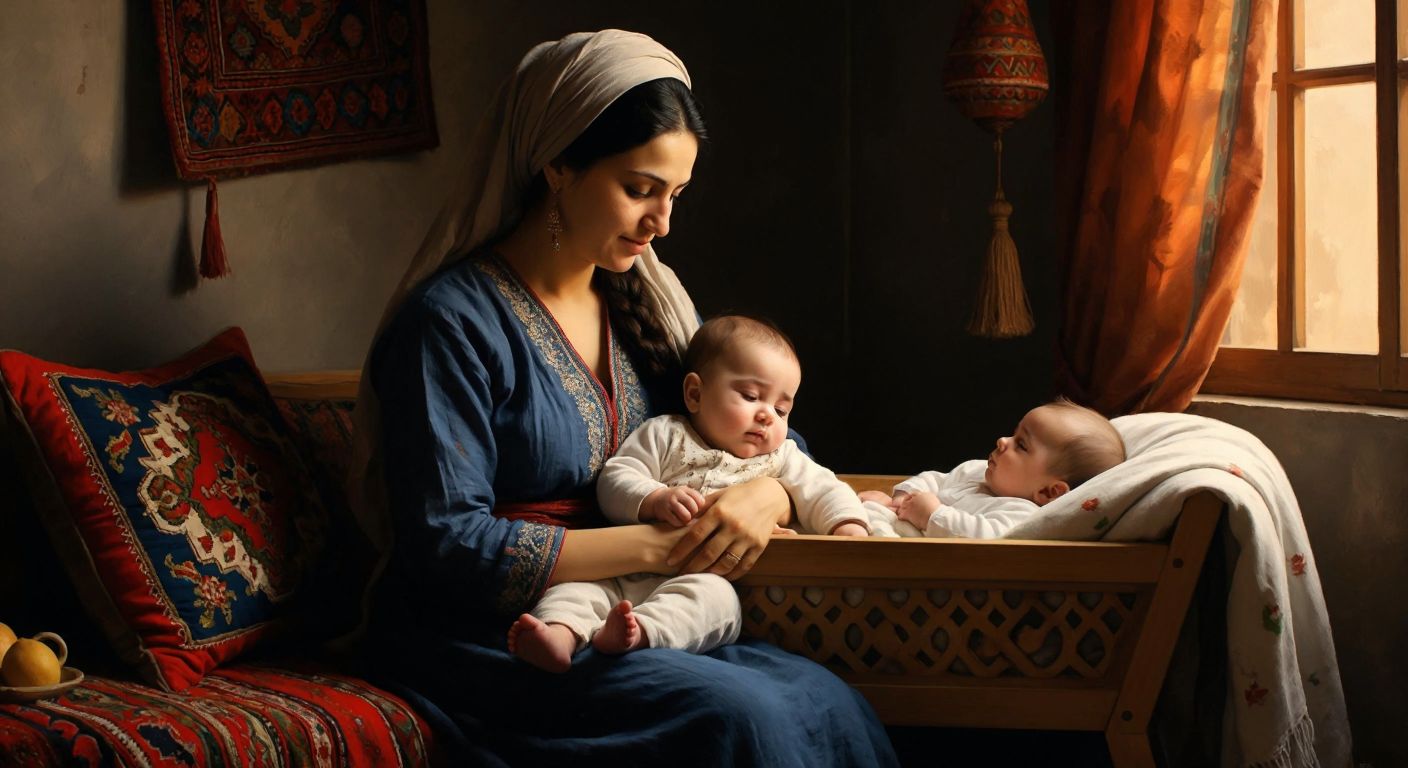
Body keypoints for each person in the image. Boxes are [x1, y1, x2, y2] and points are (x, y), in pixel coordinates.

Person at [350, 29, 897, 766]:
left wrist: (764, 499)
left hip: (641, 605)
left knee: (828, 698)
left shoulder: (647, 303)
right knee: (741, 716)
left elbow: (766, 440)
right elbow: (446, 545)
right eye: (639, 189)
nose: (662, 222)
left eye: (675, 195)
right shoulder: (449, 322)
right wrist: (661, 544)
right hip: (492, 631)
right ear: (558, 166)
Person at [509, 315, 870, 673]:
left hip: (703, 577)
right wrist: (653, 498)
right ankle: (558, 634)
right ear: (695, 394)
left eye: (781, 409)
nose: (767, 417)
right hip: (622, 568)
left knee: (718, 605)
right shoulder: (666, 434)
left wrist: (848, 526)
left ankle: (638, 633)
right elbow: (616, 477)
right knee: (576, 590)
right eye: (750, 396)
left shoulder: (781, 457)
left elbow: (824, 488)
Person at [859, 398, 1126, 539]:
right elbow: (934, 480)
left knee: (867, 523)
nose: (1002, 441)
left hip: (920, 564)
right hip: (904, 528)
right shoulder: (976, 471)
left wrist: (932, 515)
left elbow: (984, 542)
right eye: (1013, 433)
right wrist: (902, 500)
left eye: (1021, 444)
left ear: (1048, 492)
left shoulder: (1020, 514)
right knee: (864, 506)